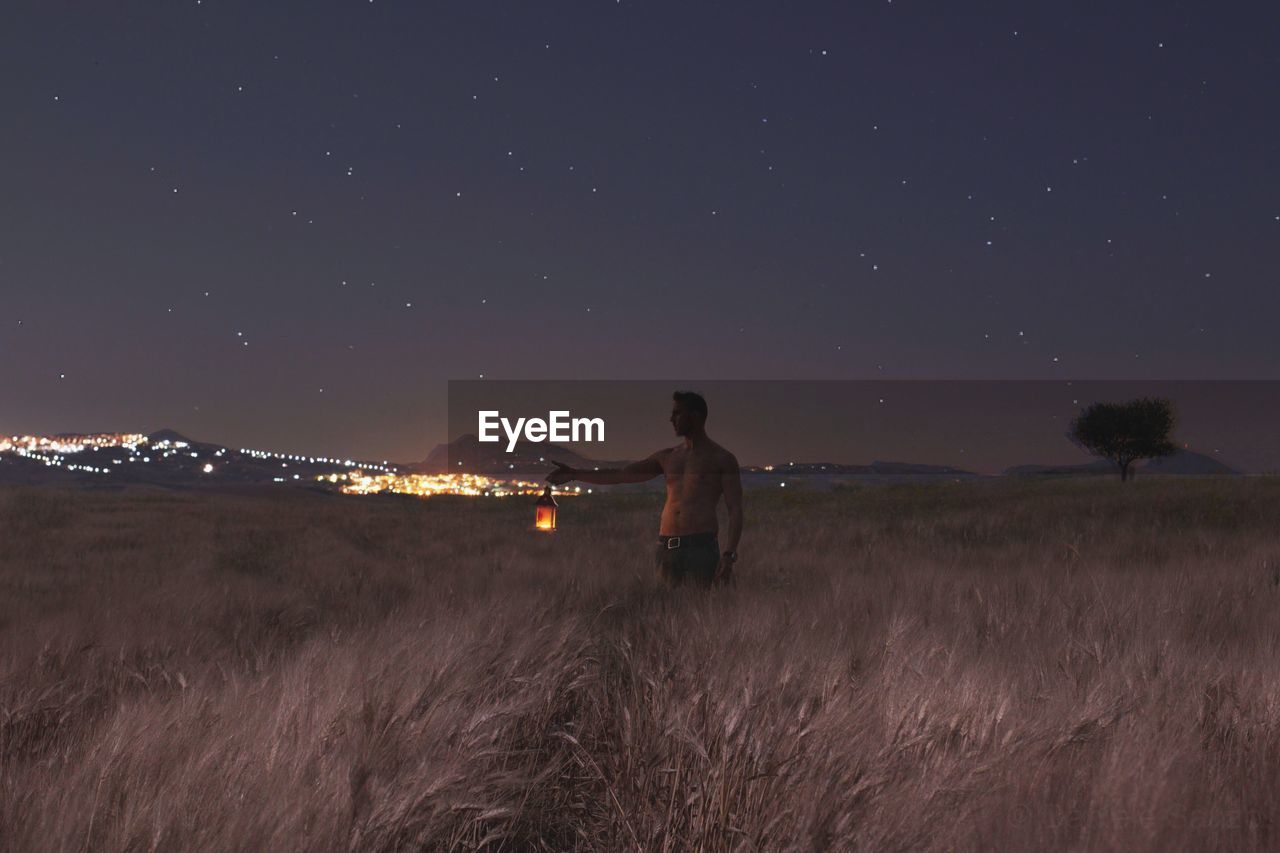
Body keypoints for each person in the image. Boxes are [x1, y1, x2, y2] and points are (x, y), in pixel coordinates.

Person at [546, 391, 743, 588]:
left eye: (677, 413)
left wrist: (729, 555)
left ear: (696, 415)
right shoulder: (668, 457)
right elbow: (622, 475)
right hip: (667, 547)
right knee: (665, 611)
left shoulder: (721, 459)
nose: (671, 419)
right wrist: (575, 474)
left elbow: (735, 509)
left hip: (701, 548)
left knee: (702, 609)